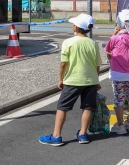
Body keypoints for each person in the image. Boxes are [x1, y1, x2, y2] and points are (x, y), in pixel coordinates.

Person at [39, 14, 100, 146]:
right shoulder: (93, 44)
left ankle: (56, 136)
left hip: (72, 80)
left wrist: (60, 79)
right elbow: (97, 65)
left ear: (76, 27)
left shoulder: (68, 42)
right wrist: (97, 80)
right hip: (91, 80)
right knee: (88, 107)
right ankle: (83, 134)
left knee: (62, 107)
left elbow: (63, 64)